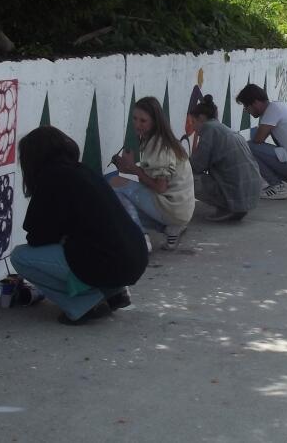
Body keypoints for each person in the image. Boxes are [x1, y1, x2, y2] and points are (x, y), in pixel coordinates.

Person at [10, 126, 148, 325]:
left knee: (20, 257)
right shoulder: (81, 170)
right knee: (81, 249)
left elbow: (35, 238)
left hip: (112, 263)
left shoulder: (52, 178)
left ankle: (82, 305)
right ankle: (113, 292)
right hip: (135, 257)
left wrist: (62, 235)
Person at [110, 96, 195, 250]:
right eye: (135, 119)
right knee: (123, 202)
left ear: (155, 122)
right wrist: (129, 169)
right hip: (180, 208)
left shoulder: (158, 145)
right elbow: (153, 179)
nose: (137, 124)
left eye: (143, 121)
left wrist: (133, 169)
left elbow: (160, 187)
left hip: (173, 207)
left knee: (114, 184)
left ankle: (140, 238)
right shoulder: (158, 139)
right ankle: (170, 230)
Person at [236, 83, 287, 201]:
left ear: (255, 103)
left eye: (246, 107)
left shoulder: (271, 111)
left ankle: (277, 187)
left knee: (248, 147)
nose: (247, 111)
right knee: (257, 150)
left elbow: (258, 140)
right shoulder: (279, 106)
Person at [189, 94, 261, 222]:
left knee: (184, 177)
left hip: (238, 192)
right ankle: (234, 207)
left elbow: (197, 166)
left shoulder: (209, 129)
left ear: (201, 118)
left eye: (193, 122)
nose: (193, 128)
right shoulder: (224, 129)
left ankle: (229, 207)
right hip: (252, 193)